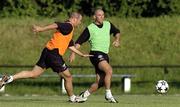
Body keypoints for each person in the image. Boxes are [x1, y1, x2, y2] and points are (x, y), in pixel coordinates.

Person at [0, 12, 92, 102]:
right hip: (54, 54)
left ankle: (9, 78)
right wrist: (41, 29)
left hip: (47, 51)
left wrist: (82, 54)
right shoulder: (69, 26)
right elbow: (56, 24)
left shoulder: (67, 30)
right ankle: (72, 97)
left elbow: (70, 46)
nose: (80, 23)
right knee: (68, 77)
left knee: (34, 74)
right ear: (75, 19)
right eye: (80, 21)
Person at [69, 9, 120, 103]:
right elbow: (79, 42)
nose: (101, 17)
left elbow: (116, 32)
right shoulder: (90, 28)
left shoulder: (108, 24)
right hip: (95, 54)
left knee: (100, 82)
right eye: (99, 15)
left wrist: (117, 39)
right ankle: (108, 94)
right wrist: (73, 53)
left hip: (105, 55)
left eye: (103, 15)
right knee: (109, 70)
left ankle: (84, 95)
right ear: (94, 17)